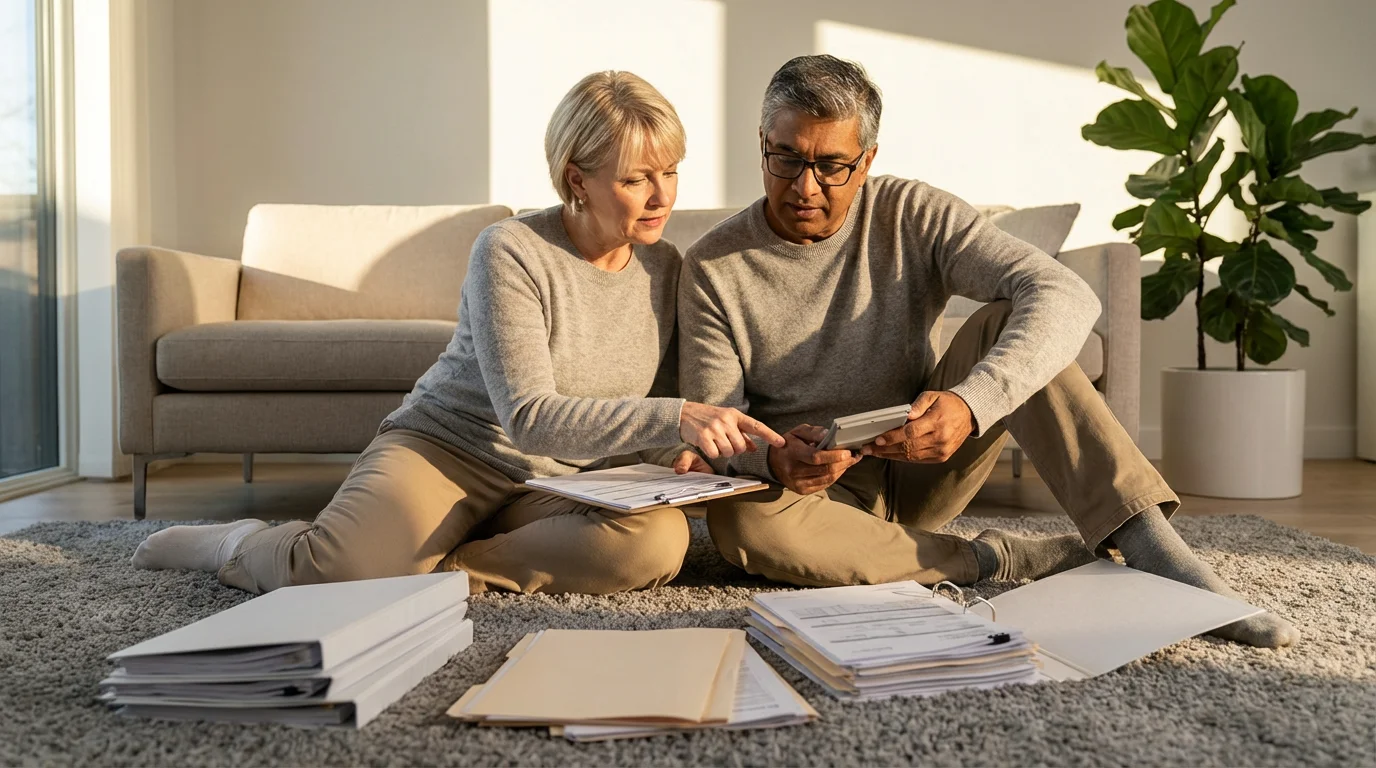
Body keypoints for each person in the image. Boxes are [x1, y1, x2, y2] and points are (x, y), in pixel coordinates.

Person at [679, 54, 1297, 648]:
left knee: (1011, 317)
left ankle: (1152, 549)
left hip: (925, 463)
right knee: (738, 523)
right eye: (784, 158)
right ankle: (995, 557)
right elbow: (715, 423)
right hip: (812, 496)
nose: (804, 186)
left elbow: (1065, 293)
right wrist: (772, 460)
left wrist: (969, 406)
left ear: (865, 162)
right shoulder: (712, 264)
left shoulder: (909, 213)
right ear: (762, 141)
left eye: (831, 165)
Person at [131, 71, 783, 595]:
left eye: (669, 171)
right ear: (577, 179)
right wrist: (676, 419)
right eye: (636, 178)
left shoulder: (668, 268)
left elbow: (683, 409)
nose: (660, 195)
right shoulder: (511, 250)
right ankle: (242, 543)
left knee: (657, 541)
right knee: (332, 576)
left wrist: (731, 446)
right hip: (451, 450)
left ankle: (434, 574)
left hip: (561, 484)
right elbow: (529, 418)